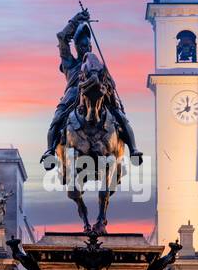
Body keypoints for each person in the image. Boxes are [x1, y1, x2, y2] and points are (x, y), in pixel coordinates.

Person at [42, 9, 141, 163]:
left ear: (91, 46)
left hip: (100, 93)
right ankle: (49, 151)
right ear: (76, 47)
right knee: (57, 119)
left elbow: (111, 83)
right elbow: (61, 37)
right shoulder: (70, 62)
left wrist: (107, 83)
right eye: (82, 46)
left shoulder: (98, 65)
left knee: (121, 117)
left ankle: (133, 149)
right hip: (73, 95)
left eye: (87, 46)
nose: (85, 49)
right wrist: (75, 21)